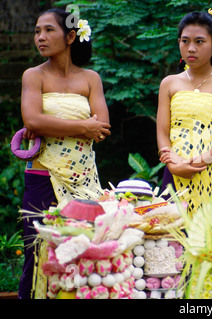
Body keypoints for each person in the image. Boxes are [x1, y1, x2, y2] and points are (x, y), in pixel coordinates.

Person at [18, 8, 111, 299]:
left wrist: (56, 126)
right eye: (37, 31)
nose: (40, 37)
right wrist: (83, 126)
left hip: (84, 179)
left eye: (48, 30)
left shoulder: (90, 79)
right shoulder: (33, 76)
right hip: (43, 176)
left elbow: (102, 127)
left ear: (70, 36)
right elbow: (33, 120)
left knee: (84, 252)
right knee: (39, 253)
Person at [156, 10, 212, 214]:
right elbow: (162, 132)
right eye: (185, 41)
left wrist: (198, 161)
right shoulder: (169, 83)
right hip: (175, 172)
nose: (191, 48)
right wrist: (173, 164)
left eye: (199, 41)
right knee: (172, 241)